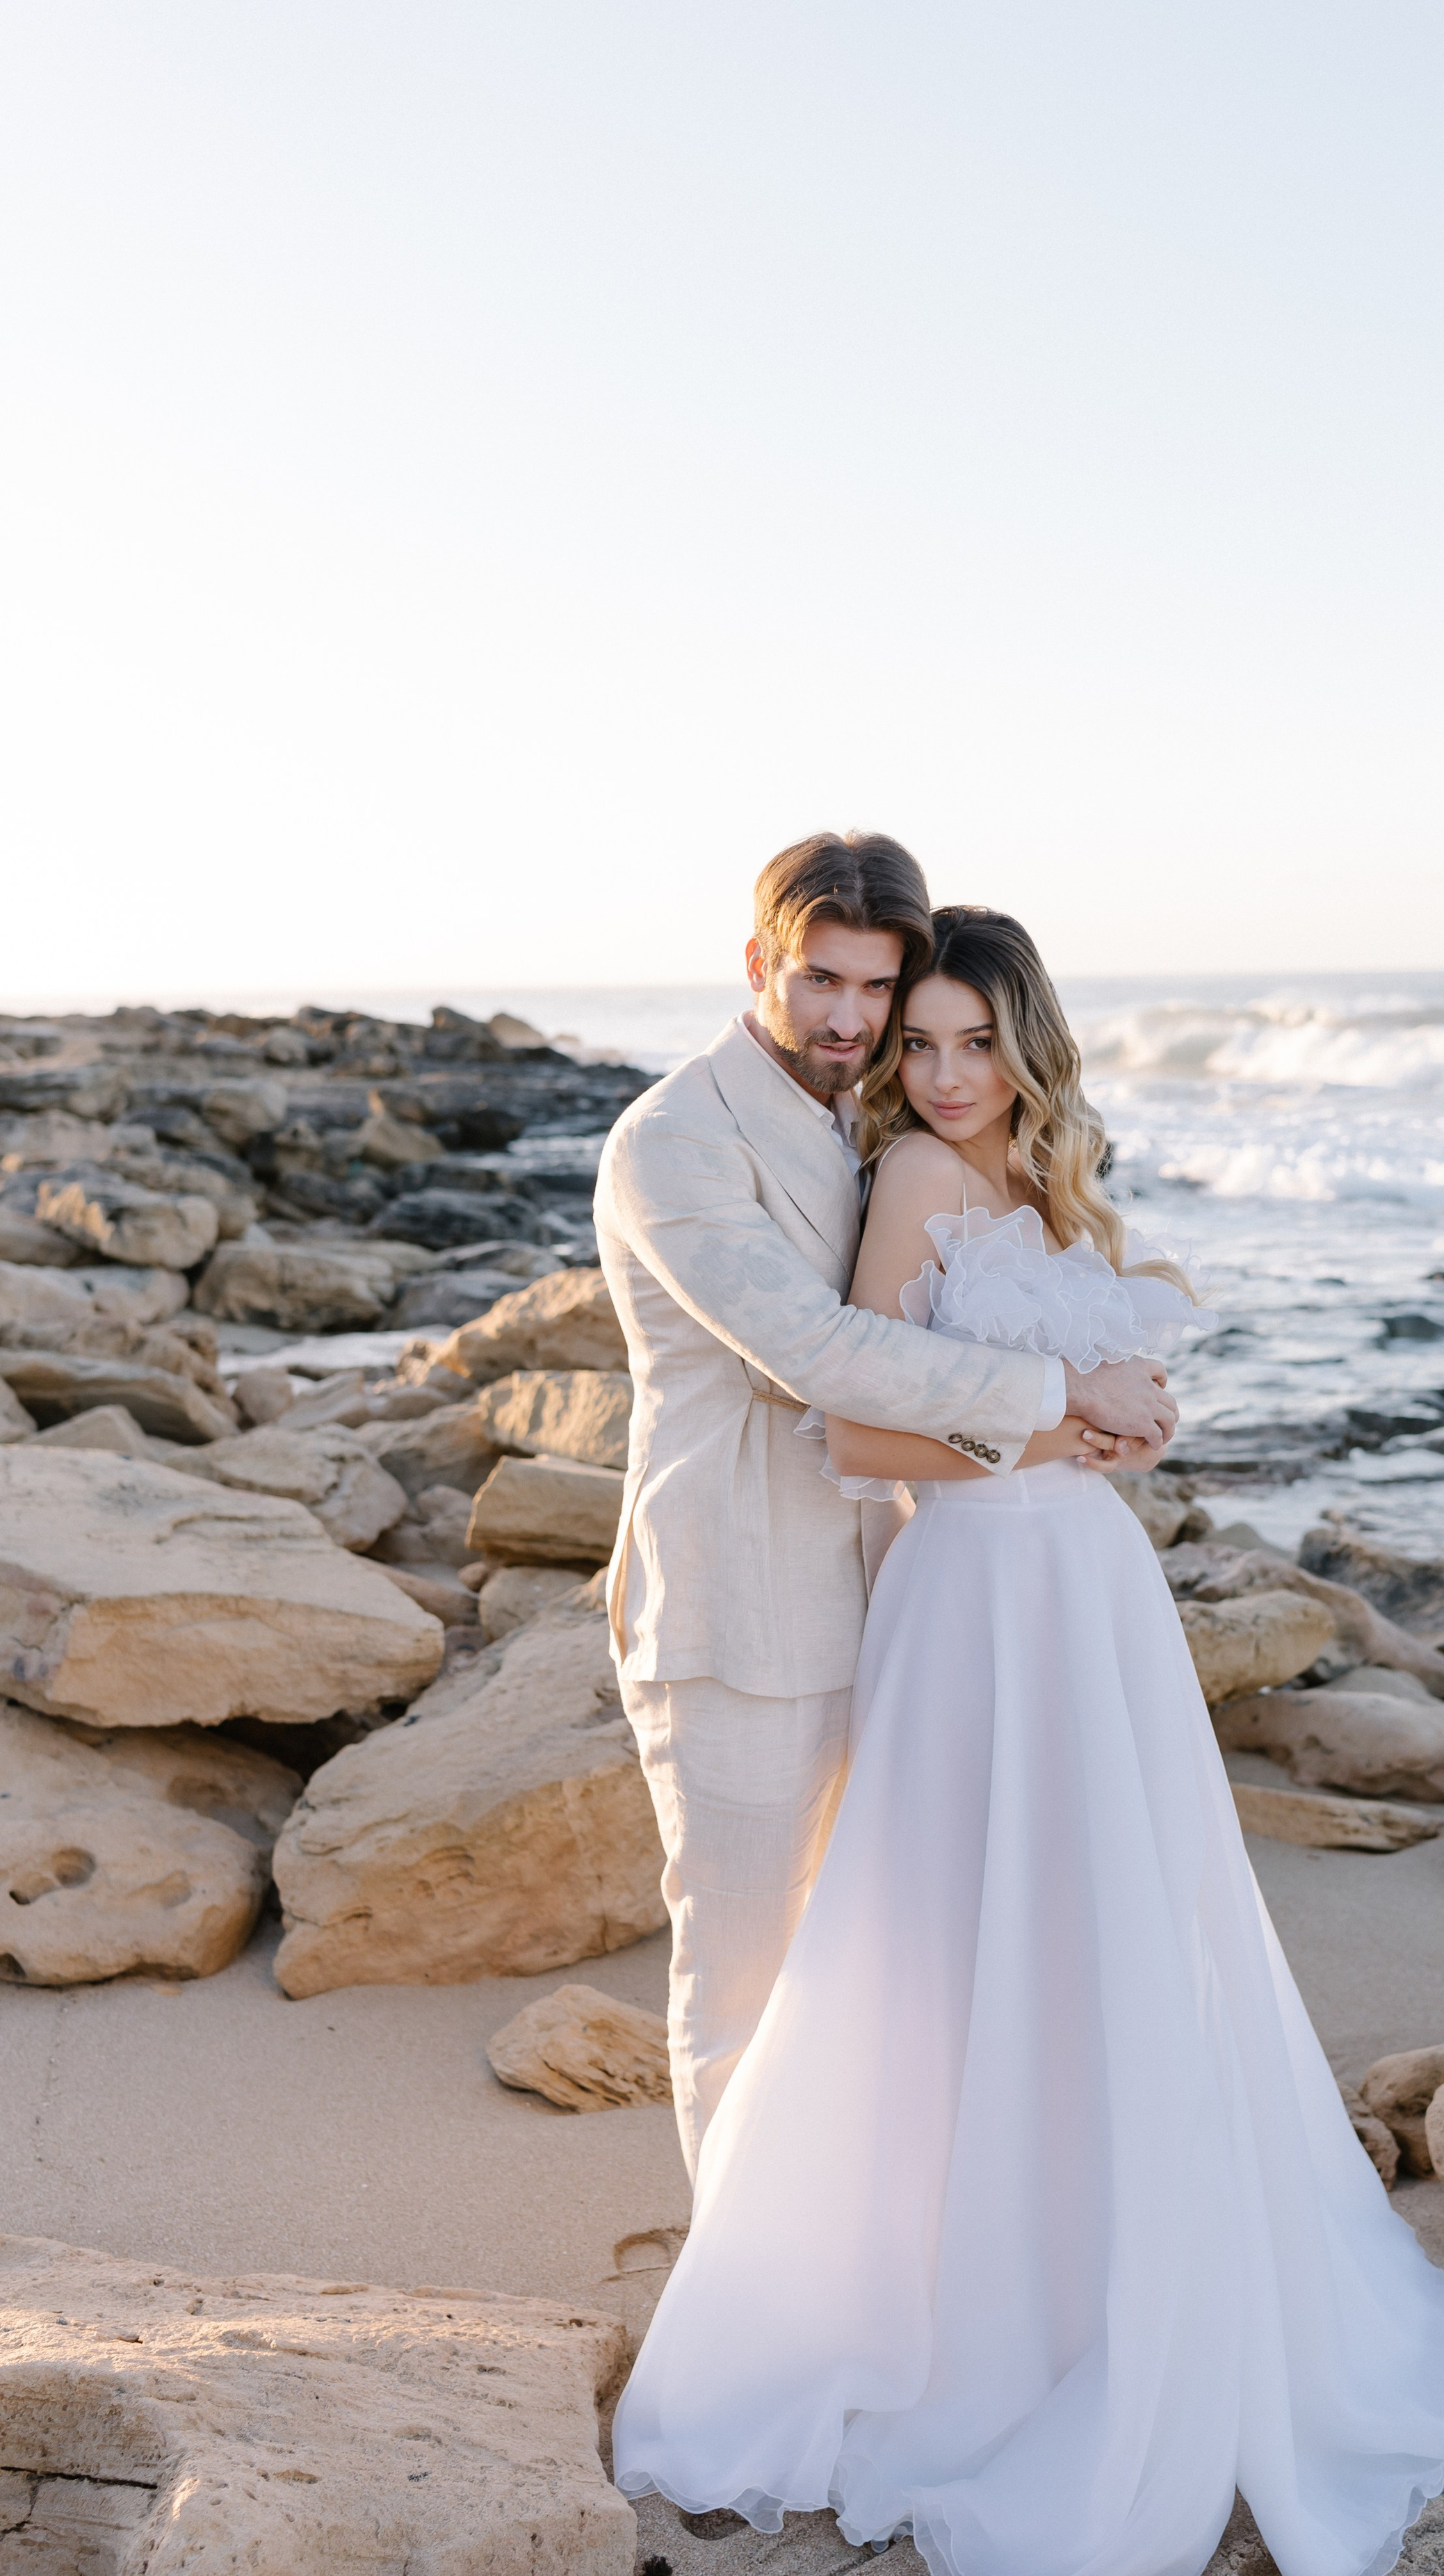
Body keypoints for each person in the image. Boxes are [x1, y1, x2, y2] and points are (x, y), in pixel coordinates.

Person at [614, 907, 1444, 2576]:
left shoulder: (1041, 1184)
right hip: (978, 1601)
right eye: (918, 1042)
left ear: (1026, 1045)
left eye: (969, 1041)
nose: (942, 1075)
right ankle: (961, 2295)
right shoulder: (904, 1186)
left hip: (1086, 1593)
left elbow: (1088, 1377)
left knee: (1127, 1920)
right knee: (971, 1933)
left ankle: (1120, 2252)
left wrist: (1132, 1418)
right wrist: (1059, 1433)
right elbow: (859, 1430)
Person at [592, 835, 1179, 2173]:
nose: (851, 1019)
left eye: (878, 991)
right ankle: (737, 2320)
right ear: (759, 963)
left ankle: (874, 2259)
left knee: (875, 1976)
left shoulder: (866, 1113)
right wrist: (1065, 1392)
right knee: (745, 1983)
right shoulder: (676, 1141)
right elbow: (823, 1358)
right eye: (822, 982)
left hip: (901, 1600)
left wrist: (1119, 1383)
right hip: (739, 1607)